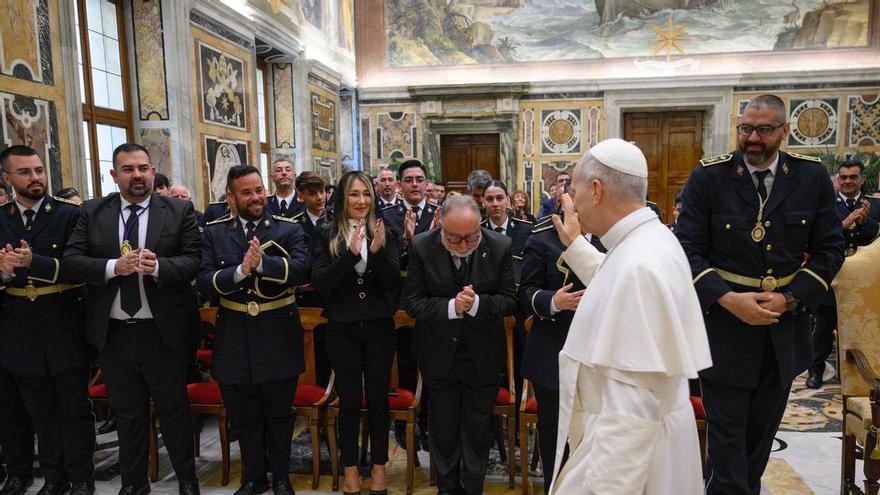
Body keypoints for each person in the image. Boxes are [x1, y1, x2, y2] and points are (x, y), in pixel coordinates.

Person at [675, 94, 844, 494]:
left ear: (784, 131)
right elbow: (686, 249)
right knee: (727, 446)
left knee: (757, 446)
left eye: (764, 129)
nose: (752, 138)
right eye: (746, 128)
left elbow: (830, 249)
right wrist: (727, 298)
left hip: (783, 329)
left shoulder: (810, 177)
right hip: (724, 330)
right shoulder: (709, 178)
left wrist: (791, 297)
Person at [548, 138, 712, 494]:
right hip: (648, 444)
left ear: (596, 190)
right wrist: (577, 247)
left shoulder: (639, 264)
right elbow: (613, 279)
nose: (573, 202)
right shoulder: (650, 239)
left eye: (575, 191)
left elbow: (632, 411)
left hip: (630, 458)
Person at [62, 143, 201, 495]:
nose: (136, 175)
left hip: (163, 331)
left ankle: (187, 481)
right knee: (128, 414)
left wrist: (160, 267)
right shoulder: (92, 211)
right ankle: (134, 484)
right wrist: (113, 267)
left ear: (152, 171)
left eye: (142, 168)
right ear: (114, 175)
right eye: (127, 169)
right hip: (115, 333)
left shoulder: (178, 210)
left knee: (174, 410)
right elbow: (72, 261)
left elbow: (194, 261)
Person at [198, 165, 307, 495]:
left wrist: (262, 264)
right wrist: (240, 272)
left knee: (279, 414)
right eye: (246, 192)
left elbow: (301, 270)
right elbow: (204, 281)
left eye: (259, 190)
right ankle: (253, 478)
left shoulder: (288, 228)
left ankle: (282, 477)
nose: (256, 197)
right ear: (231, 198)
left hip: (278, 334)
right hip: (234, 336)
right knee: (244, 416)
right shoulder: (215, 232)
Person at [403, 195, 516, 495]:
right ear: (441, 225)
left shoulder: (500, 246)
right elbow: (412, 303)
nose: (464, 245)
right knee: (443, 431)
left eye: (471, 237)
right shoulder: (422, 246)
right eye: (455, 239)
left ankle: (473, 489)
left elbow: (509, 300)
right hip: (438, 354)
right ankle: (446, 489)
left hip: (482, 355)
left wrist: (477, 304)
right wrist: (452, 307)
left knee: (477, 432)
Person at [0, 146, 94, 495]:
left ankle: (81, 478)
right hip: (20, 328)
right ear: (7, 178)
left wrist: (34, 262)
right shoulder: (2, 217)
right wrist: (4, 272)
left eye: (39, 170)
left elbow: (81, 266)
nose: (35, 178)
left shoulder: (70, 215)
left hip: (64, 322)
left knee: (73, 409)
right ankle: (54, 479)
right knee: (39, 411)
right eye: (25, 172)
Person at [311, 172, 400, 495]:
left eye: (366, 194)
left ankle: (378, 469)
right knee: (348, 401)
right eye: (353, 194)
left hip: (379, 327)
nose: (361, 201)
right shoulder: (326, 232)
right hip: (342, 328)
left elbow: (393, 283)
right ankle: (349, 470)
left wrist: (375, 253)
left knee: (378, 399)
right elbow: (321, 284)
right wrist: (350, 255)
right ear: (342, 198)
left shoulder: (386, 230)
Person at [518, 211, 605, 494]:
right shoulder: (543, 238)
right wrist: (553, 301)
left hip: (601, 355)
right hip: (553, 353)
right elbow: (526, 292)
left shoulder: (611, 236)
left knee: (599, 436)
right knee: (555, 434)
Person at [807, 158, 880, 389]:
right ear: (838, 180)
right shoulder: (825, 206)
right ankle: (815, 371)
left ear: (862, 179)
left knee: (864, 328)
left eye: (853, 177)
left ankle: (865, 372)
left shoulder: (875, 205)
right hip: (832, 275)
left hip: (865, 282)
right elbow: (816, 238)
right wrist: (845, 223)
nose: (848, 181)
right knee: (823, 327)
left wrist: (865, 223)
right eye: (844, 177)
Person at [481, 180, 531, 281]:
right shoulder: (478, 232)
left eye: (500, 198)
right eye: (489, 199)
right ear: (483, 202)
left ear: (507, 200)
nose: (495, 204)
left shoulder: (525, 230)